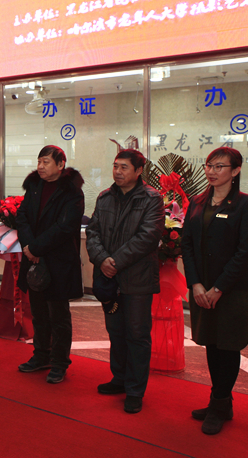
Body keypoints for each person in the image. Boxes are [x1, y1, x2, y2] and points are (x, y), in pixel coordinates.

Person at [181, 147, 248, 435]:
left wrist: (218, 287)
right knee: (212, 344)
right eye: (209, 165)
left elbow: (245, 252)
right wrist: (196, 284)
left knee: (227, 346)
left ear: (235, 171)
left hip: (230, 290)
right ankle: (221, 403)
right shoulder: (197, 202)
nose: (212, 171)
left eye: (219, 166)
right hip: (202, 288)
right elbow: (186, 244)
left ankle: (219, 405)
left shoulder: (245, 204)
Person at [86, 149, 164, 414]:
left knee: (137, 334)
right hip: (109, 278)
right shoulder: (105, 197)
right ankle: (119, 378)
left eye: (124, 167)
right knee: (115, 331)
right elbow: (93, 232)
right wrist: (102, 259)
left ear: (139, 171)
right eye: (115, 166)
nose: (117, 172)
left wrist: (114, 262)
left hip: (137, 279)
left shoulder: (152, 199)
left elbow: (148, 237)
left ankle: (135, 390)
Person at [15, 146, 84, 383]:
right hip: (34, 259)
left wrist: (35, 248)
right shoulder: (34, 186)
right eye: (39, 162)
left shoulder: (72, 191)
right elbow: (22, 217)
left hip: (58, 262)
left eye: (46, 162)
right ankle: (41, 355)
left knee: (58, 316)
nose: (40, 167)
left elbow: (64, 227)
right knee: (39, 314)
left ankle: (59, 362)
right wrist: (29, 246)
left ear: (61, 164)